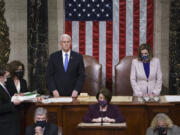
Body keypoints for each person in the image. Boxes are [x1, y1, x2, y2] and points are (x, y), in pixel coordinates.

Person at [0, 65, 22, 135]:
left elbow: (5, 100)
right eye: (7, 76)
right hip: (5, 126)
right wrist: (13, 103)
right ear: (1, 77)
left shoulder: (3, 86)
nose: (7, 79)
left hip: (11, 124)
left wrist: (12, 97)